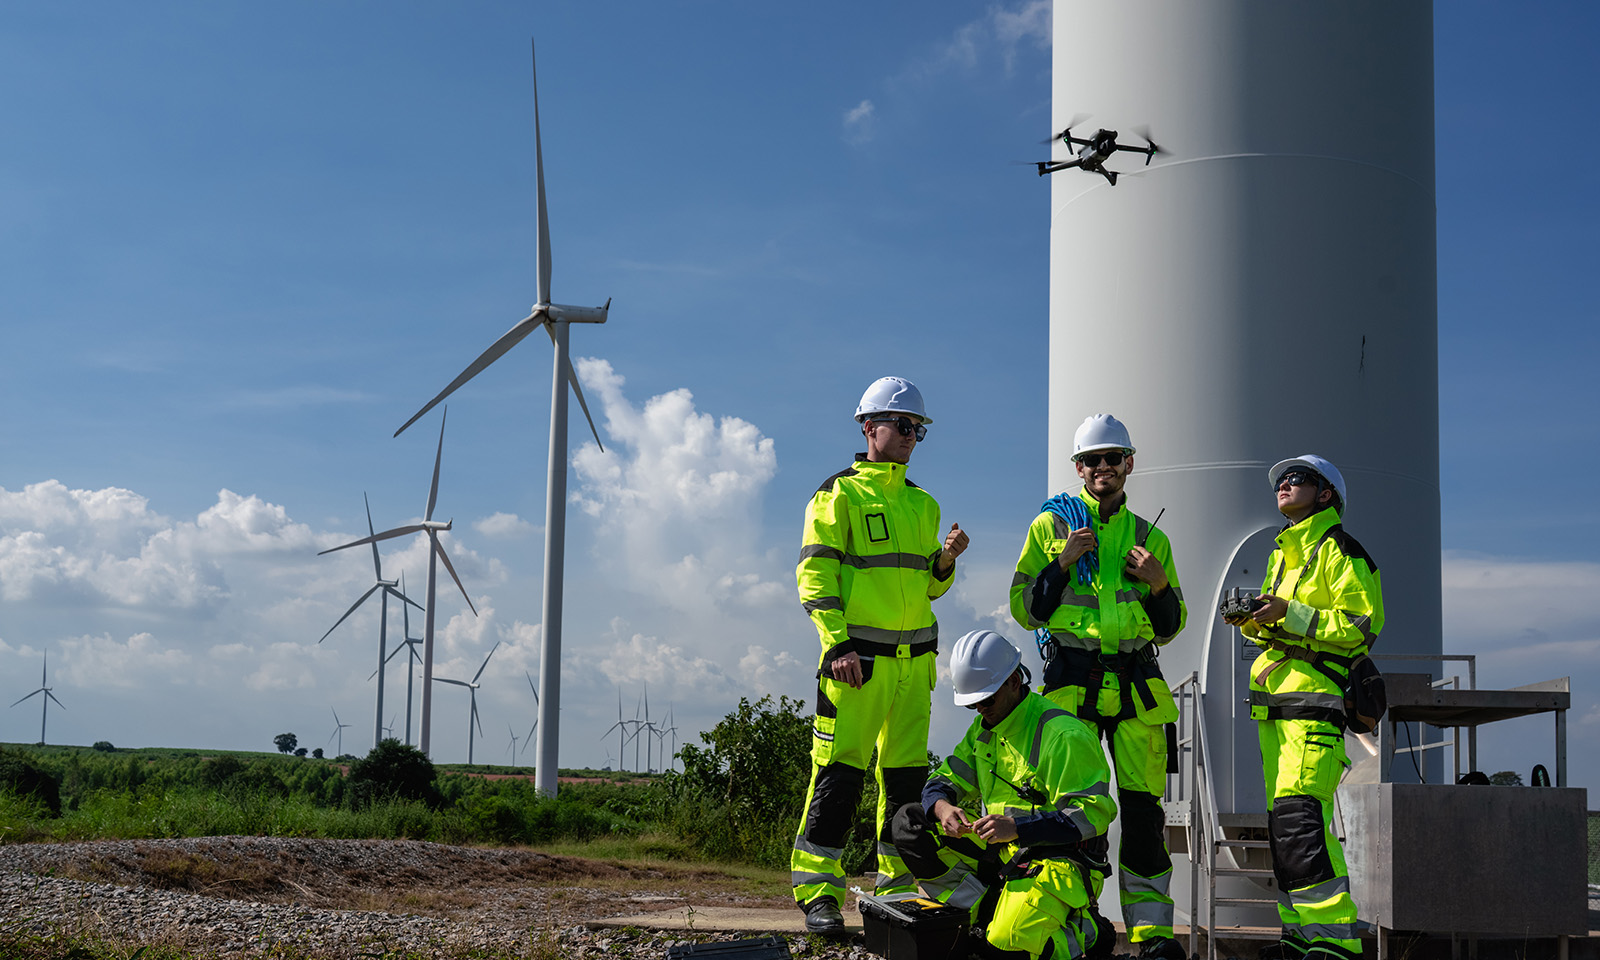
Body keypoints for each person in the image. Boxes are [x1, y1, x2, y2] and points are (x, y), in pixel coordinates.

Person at [791, 375, 970, 936]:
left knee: (905, 783)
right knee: (839, 777)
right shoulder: (836, 494)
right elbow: (814, 575)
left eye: (919, 429)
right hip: (856, 665)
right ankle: (818, 891)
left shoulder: (924, 504)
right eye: (904, 425)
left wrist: (945, 560)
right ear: (870, 428)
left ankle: (893, 886)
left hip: (915, 666)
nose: (913, 436)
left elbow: (929, 589)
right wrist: (837, 644)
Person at [1009, 414, 1187, 960]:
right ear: (1078, 468)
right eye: (1092, 459)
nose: (1102, 467)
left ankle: (1152, 934)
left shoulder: (1150, 537)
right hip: (1072, 680)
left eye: (1113, 458)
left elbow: (1170, 624)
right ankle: (1080, 925)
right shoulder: (1049, 528)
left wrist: (1158, 584)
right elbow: (1024, 609)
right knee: (1071, 814)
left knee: (1142, 817)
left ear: (1129, 465)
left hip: (1136, 685)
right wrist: (1062, 564)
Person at [1222, 455, 1382, 960]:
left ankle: (1335, 943)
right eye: (1281, 482)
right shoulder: (1283, 553)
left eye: (1298, 480)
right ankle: (1301, 935)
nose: (1284, 486)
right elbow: (1286, 620)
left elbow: (1361, 624)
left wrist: (1288, 612)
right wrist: (1255, 620)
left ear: (1326, 494)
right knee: (1287, 825)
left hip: (1315, 702)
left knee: (1299, 821)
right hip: (1277, 705)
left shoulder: (1341, 549)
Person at [891, 629, 1118, 960]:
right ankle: (986, 911)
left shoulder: (1064, 735)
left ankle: (1089, 933)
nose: (981, 710)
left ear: (1014, 681)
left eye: (986, 699)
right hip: (1002, 852)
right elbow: (943, 779)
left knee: (1004, 947)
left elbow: (1092, 815)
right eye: (972, 704)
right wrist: (942, 809)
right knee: (908, 823)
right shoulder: (985, 728)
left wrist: (1018, 828)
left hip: (1058, 860)